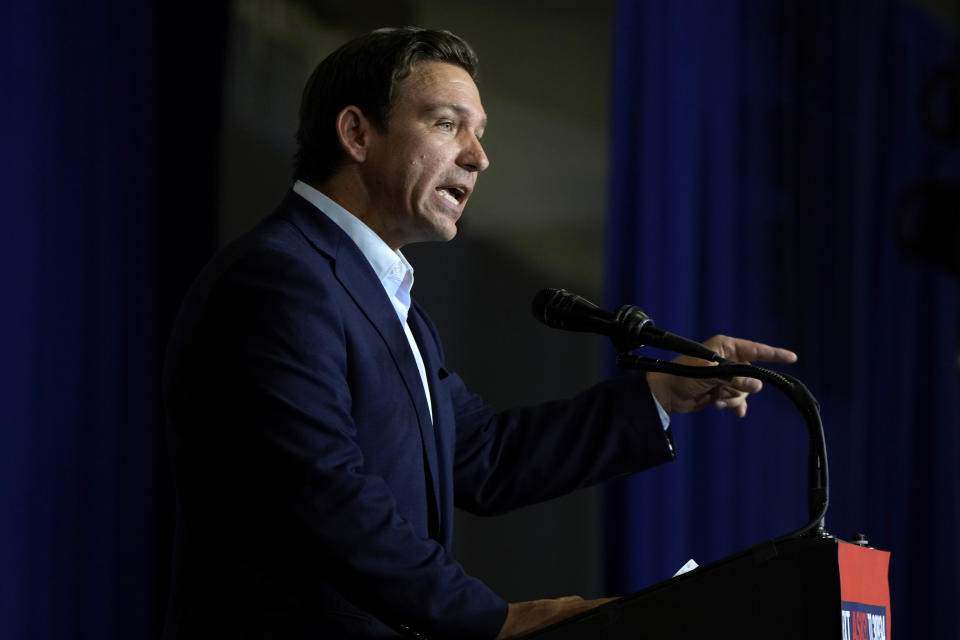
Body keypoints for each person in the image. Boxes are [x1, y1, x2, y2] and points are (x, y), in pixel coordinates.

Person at [161, 27, 797, 640]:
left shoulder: (388, 302)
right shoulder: (277, 280)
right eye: (446, 124)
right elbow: (324, 498)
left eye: (480, 133)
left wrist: (661, 392)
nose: (478, 156)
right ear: (356, 132)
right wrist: (493, 619)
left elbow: (487, 458)